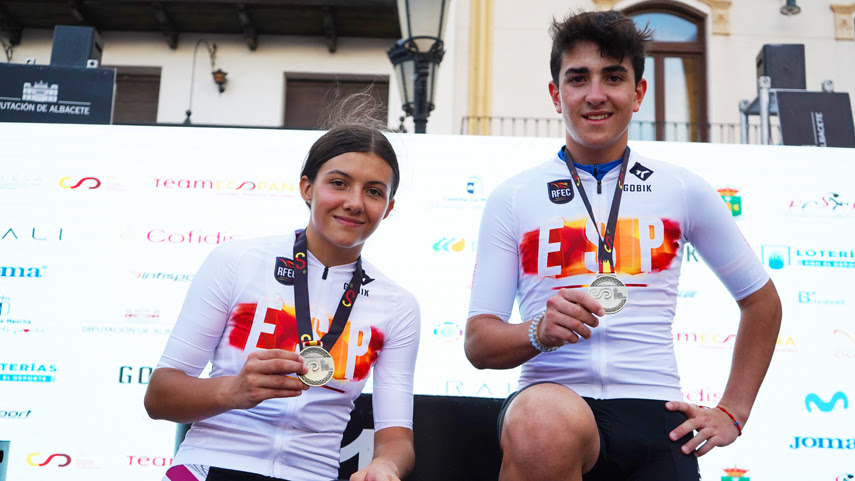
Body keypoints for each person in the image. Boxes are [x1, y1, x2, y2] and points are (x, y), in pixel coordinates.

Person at [465, 10, 782, 481]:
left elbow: (762, 302)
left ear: (638, 94)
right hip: (552, 408)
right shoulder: (513, 197)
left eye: (613, 77)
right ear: (555, 95)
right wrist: (537, 331)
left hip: (656, 415)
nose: (595, 94)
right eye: (578, 78)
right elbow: (479, 342)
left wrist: (732, 411)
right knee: (541, 422)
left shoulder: (682, 189)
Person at [144, 108, 420, 481]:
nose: (355, 202)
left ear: (388, 208)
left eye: (373, 191)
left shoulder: (398, 306)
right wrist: (233, 390)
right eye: (339, 183)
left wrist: (386, 464)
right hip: (211, 464)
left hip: (313, 473)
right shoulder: (238, 261)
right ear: (307, 187)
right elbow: (159, 396)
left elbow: (396, 437)